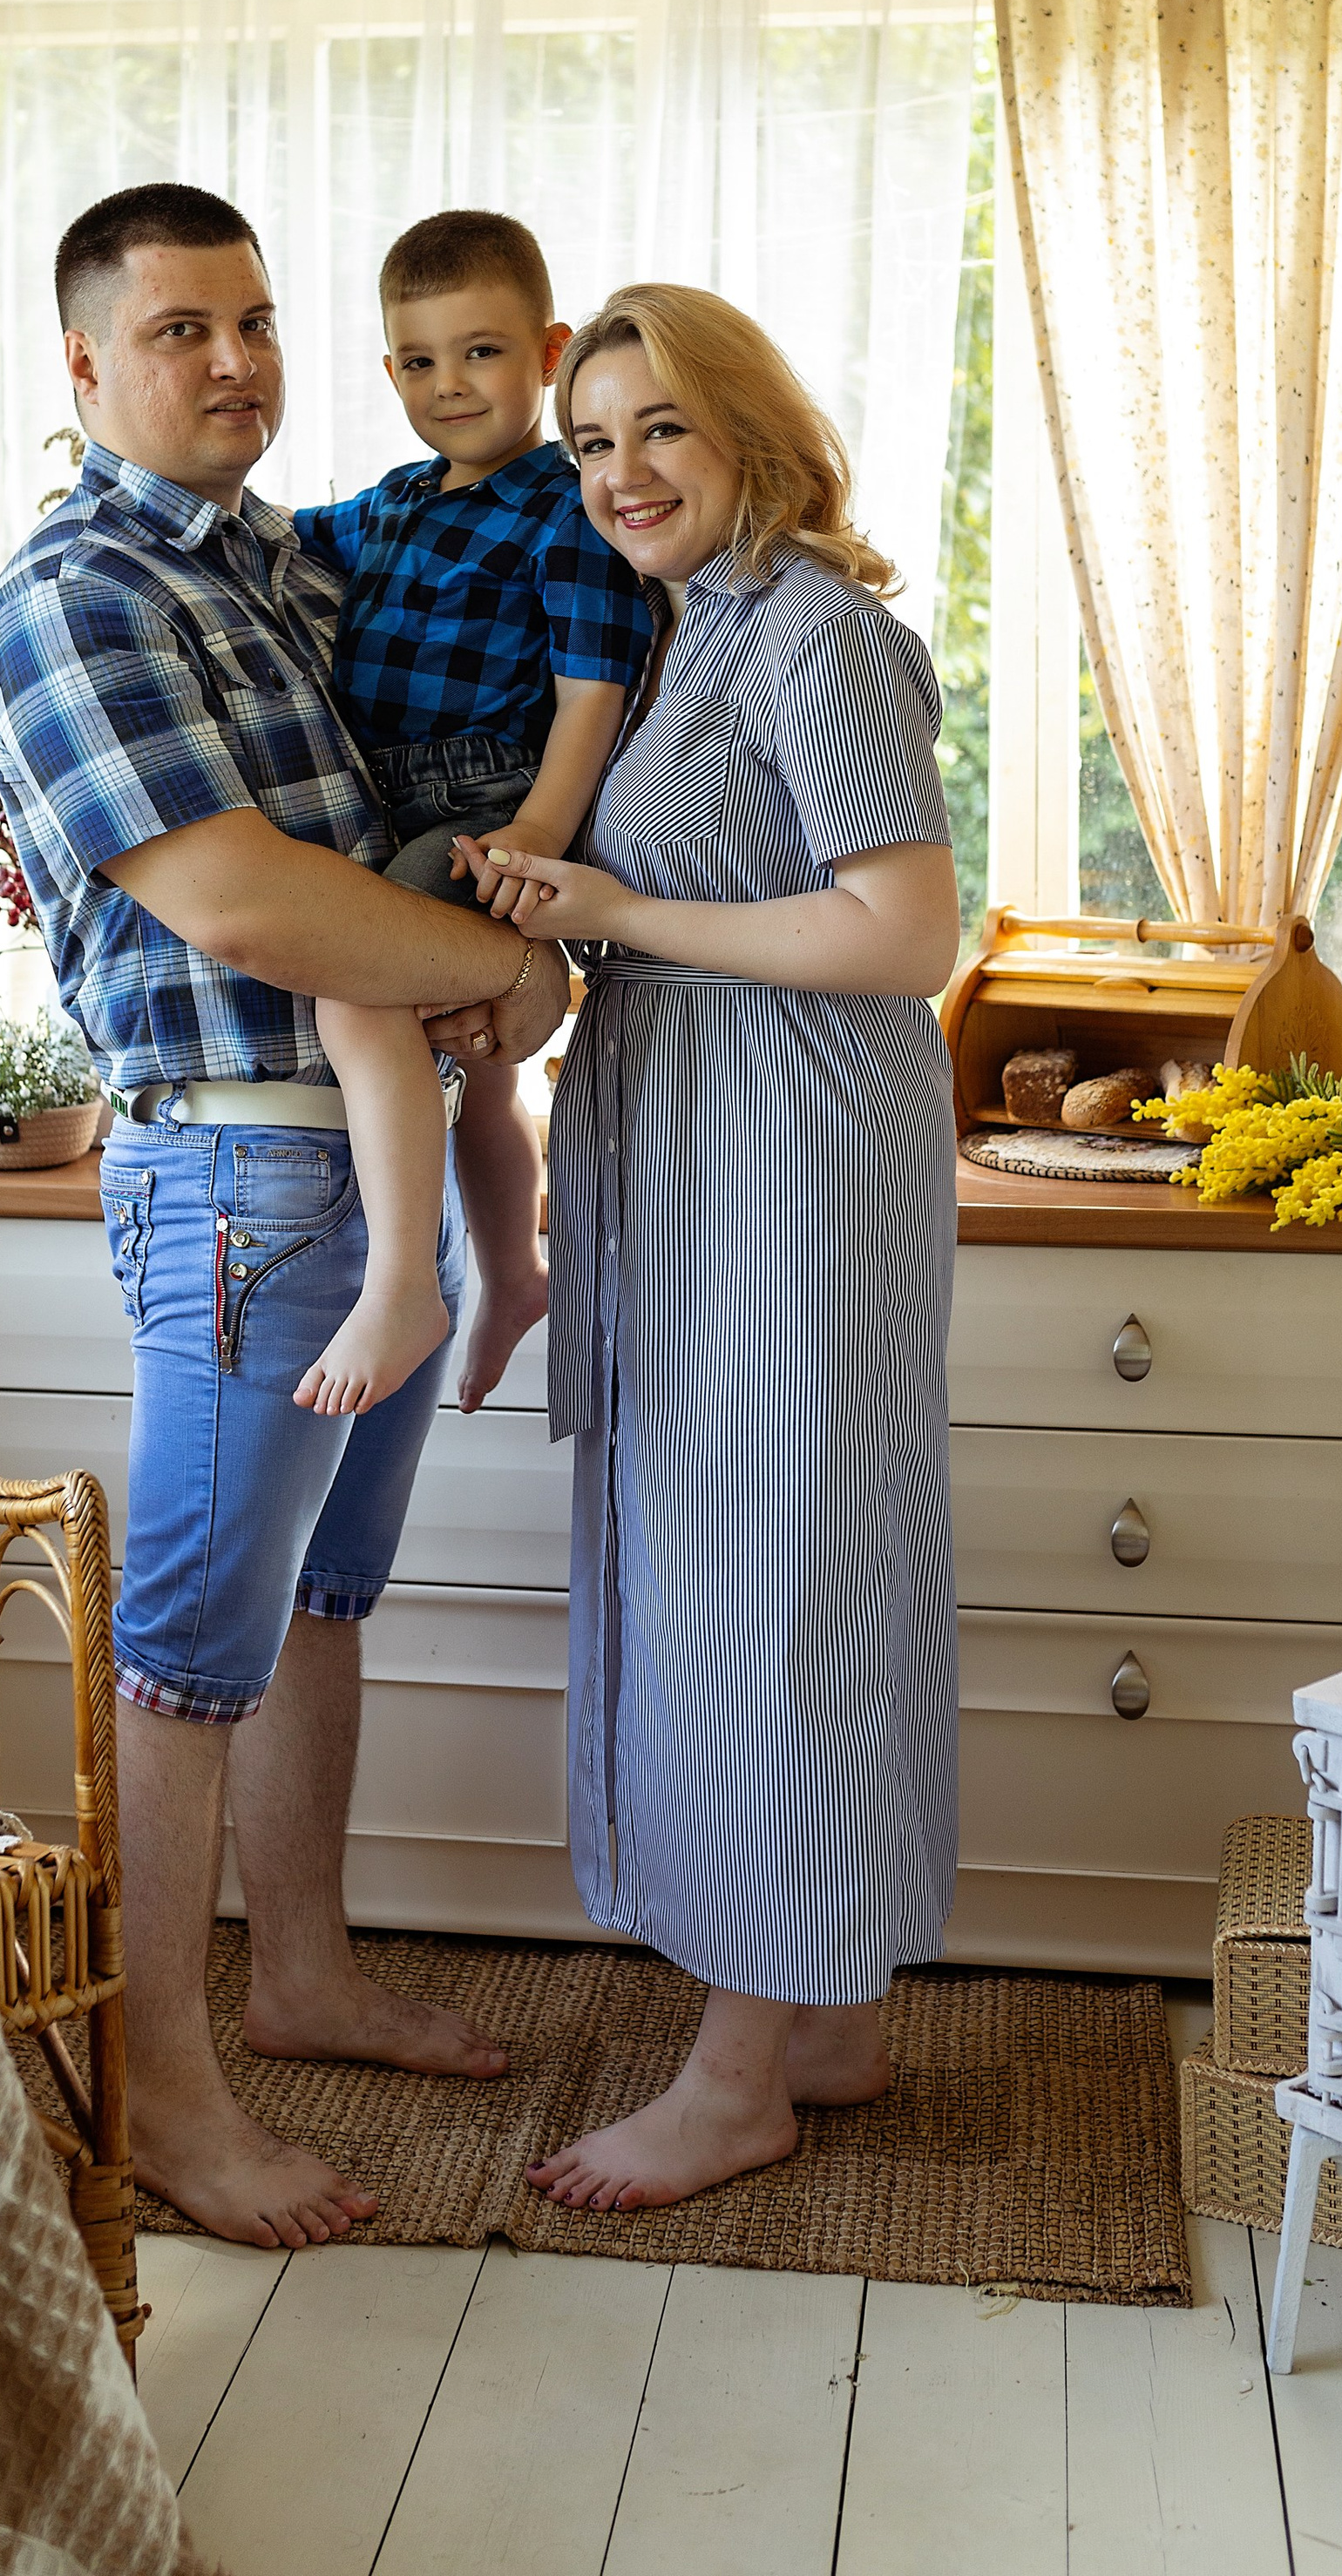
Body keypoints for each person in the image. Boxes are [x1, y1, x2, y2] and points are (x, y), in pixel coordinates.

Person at [0, 181, 572, 2254]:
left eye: (251, 320)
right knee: (185, 1652)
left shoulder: (282, 575)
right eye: (173, 331)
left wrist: (516, 948)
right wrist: (476, 967)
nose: (231, 361)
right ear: (81, 367)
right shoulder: (70, 598)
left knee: (321, 1603)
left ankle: (299, 1975)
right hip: (242, 1167)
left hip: (365, 1138)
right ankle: (159, 2095)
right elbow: (225, 893)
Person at [473, 283, 962, 2214]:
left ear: (748, 426)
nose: (616, 476)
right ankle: (821, 2004)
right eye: (589, 443)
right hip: (695, 1141)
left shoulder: (817, 635)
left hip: (785, 1160)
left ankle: (739, 2073)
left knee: (770, 1581)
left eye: (656, 429)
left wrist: (617, 910)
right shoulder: (699, 638)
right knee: (765, 1563)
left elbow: (900, 934)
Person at [291, 209, 652, 1420]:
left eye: (483, 353)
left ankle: (403, 1281)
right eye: (421, 361)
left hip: (485, 796)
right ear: (390, 370)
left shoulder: (566, 507)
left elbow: (592, 687)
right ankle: (511, 1274)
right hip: (397, 795)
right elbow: (276, 546)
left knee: (353, 986)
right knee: (486, 1086)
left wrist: (543, 830)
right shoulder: (393, 504)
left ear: (548, 352)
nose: (451, 386)